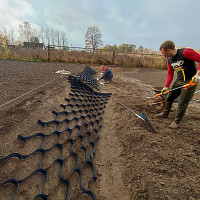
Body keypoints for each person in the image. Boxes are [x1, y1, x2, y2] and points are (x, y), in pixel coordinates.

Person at [156, 40, 200, 129]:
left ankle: (177, 121)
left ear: (168, 50)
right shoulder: (169, 60)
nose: (163, 55)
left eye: (163, 53)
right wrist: (166, 86)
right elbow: (170, 73)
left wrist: (197, 74)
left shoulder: (186, 52)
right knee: (170, 97)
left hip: (190, 81)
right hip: (179, 80)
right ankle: (165, 113)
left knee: (182, 102)